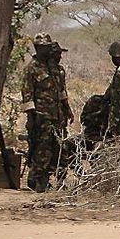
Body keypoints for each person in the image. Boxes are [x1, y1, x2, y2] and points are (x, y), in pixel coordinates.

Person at [20, 33, 67, 192]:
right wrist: (32, 118)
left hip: (56, 116)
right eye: (45, 47)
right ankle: (36, 181)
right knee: (41, 149)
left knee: (55, 149)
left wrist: (66, 110)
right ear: (39, 48)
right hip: (41, 117)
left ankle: (46, 180)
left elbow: (60, 91)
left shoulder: (52, 67)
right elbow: (27, 95)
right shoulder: (31, 68)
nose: (48, 50)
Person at [48, 41, 76, 182]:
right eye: (57, 53)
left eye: (60, 53)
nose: (60, 56)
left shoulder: (60, 71)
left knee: (62, 147)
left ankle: (61, 179)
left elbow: (62, 93)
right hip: (46, 117)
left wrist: (68, 110)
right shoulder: (43, 69)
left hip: (60, 117)